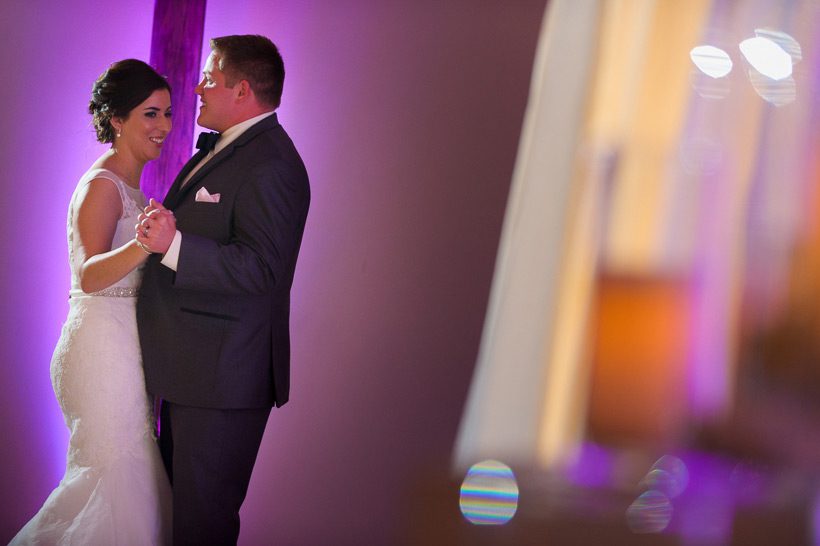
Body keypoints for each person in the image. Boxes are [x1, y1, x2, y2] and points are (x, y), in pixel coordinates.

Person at [135, 34, 310, 544]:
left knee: (201, 526)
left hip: (223, 380)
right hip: (195, 373)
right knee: (181, 521)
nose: (197, 87)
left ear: (243, 90)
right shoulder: (229, 149)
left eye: (209, 77)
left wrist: (174, 245)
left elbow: (262, 269)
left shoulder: (272, 164)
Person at [10, 60, 173, 545]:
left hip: (122, 354)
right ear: (118, 120)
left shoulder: (130, 188)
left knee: (127, 486)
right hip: (100, 354)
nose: (164, 126)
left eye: (167, 113)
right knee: (113, 486)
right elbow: (88, 274)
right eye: (150, 114)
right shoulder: (102, 186)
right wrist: (144, 243)